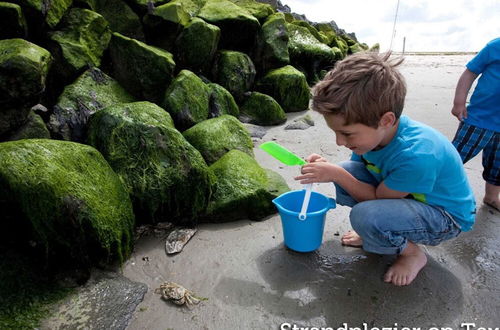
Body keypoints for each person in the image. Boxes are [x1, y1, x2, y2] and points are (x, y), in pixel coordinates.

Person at [295, 52, 476, 286]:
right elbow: (358, 172)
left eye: (347, 133)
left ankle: (411, 253)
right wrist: (328, 168)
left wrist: (334, 174)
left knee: (363, 213)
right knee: (347, 169)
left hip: (445, 217)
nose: (340, 142)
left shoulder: (417, 154)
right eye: (336, 133)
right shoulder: (374, 135)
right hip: (409, 197)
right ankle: (381, 230)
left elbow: (376, 197)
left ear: (386, 120)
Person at [451, 37, 500, 211]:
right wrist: (459, 102)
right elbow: (470, 72)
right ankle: (430, 189)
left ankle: (492, 197)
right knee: (455, 157)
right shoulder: (495, 46)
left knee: (497, 165)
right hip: (479, 118)